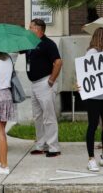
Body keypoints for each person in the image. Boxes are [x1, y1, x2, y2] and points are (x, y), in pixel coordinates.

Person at [79, 28, 103, 172]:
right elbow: (85, 72)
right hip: (94, 98)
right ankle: (91, 159)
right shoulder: (92, 53)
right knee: (93, 125)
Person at [25, 19, 62, 157]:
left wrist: (51, 80)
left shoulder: (48, 44)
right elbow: (17, 49)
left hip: (45, 83)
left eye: (30, 27)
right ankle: (41, 145)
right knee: (38, 117)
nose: (28, 29)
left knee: (49, 116)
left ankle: (53, 147)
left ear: (38, 29)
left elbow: (58, 62)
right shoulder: (29, 43)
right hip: (34, 84)